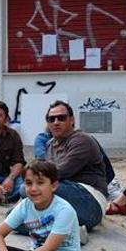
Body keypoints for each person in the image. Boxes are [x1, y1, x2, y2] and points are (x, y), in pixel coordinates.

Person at [36, 100, 109, 241]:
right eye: (51, 119)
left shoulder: (82, 140)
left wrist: (32, 184)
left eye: (61, 118)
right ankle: (71, 232)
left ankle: (64, 230)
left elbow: (58, 173)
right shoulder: (50, 144)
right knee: (15, 218)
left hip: (90, 201)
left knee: (30, 190)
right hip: (62, 196)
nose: (56, 122)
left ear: (72, 120)